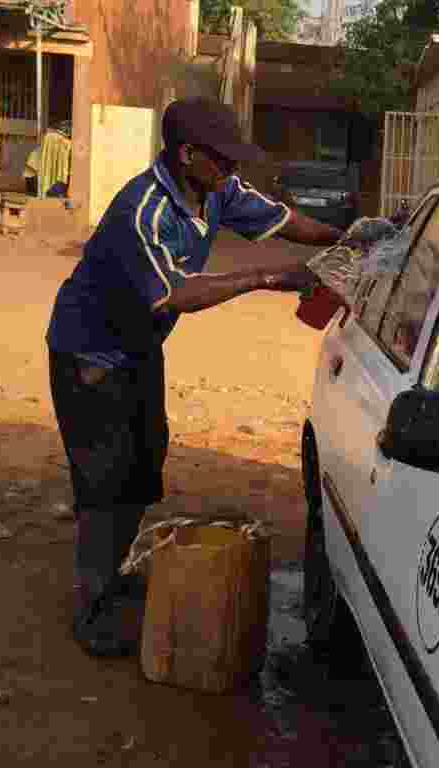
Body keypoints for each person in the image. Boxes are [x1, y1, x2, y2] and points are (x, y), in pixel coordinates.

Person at [45, 98, 358, 656]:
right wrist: (265, 277)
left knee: (143, 464)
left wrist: (350, 238)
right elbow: (175, 293)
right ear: (188, 154)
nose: (233, 168)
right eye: (223, 157)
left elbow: (287, 221)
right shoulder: (142, 211)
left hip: (138, 350)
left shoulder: (218, 190)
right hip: (90, 355)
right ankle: (92, 609)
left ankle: (115, 574)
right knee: (104, 483)